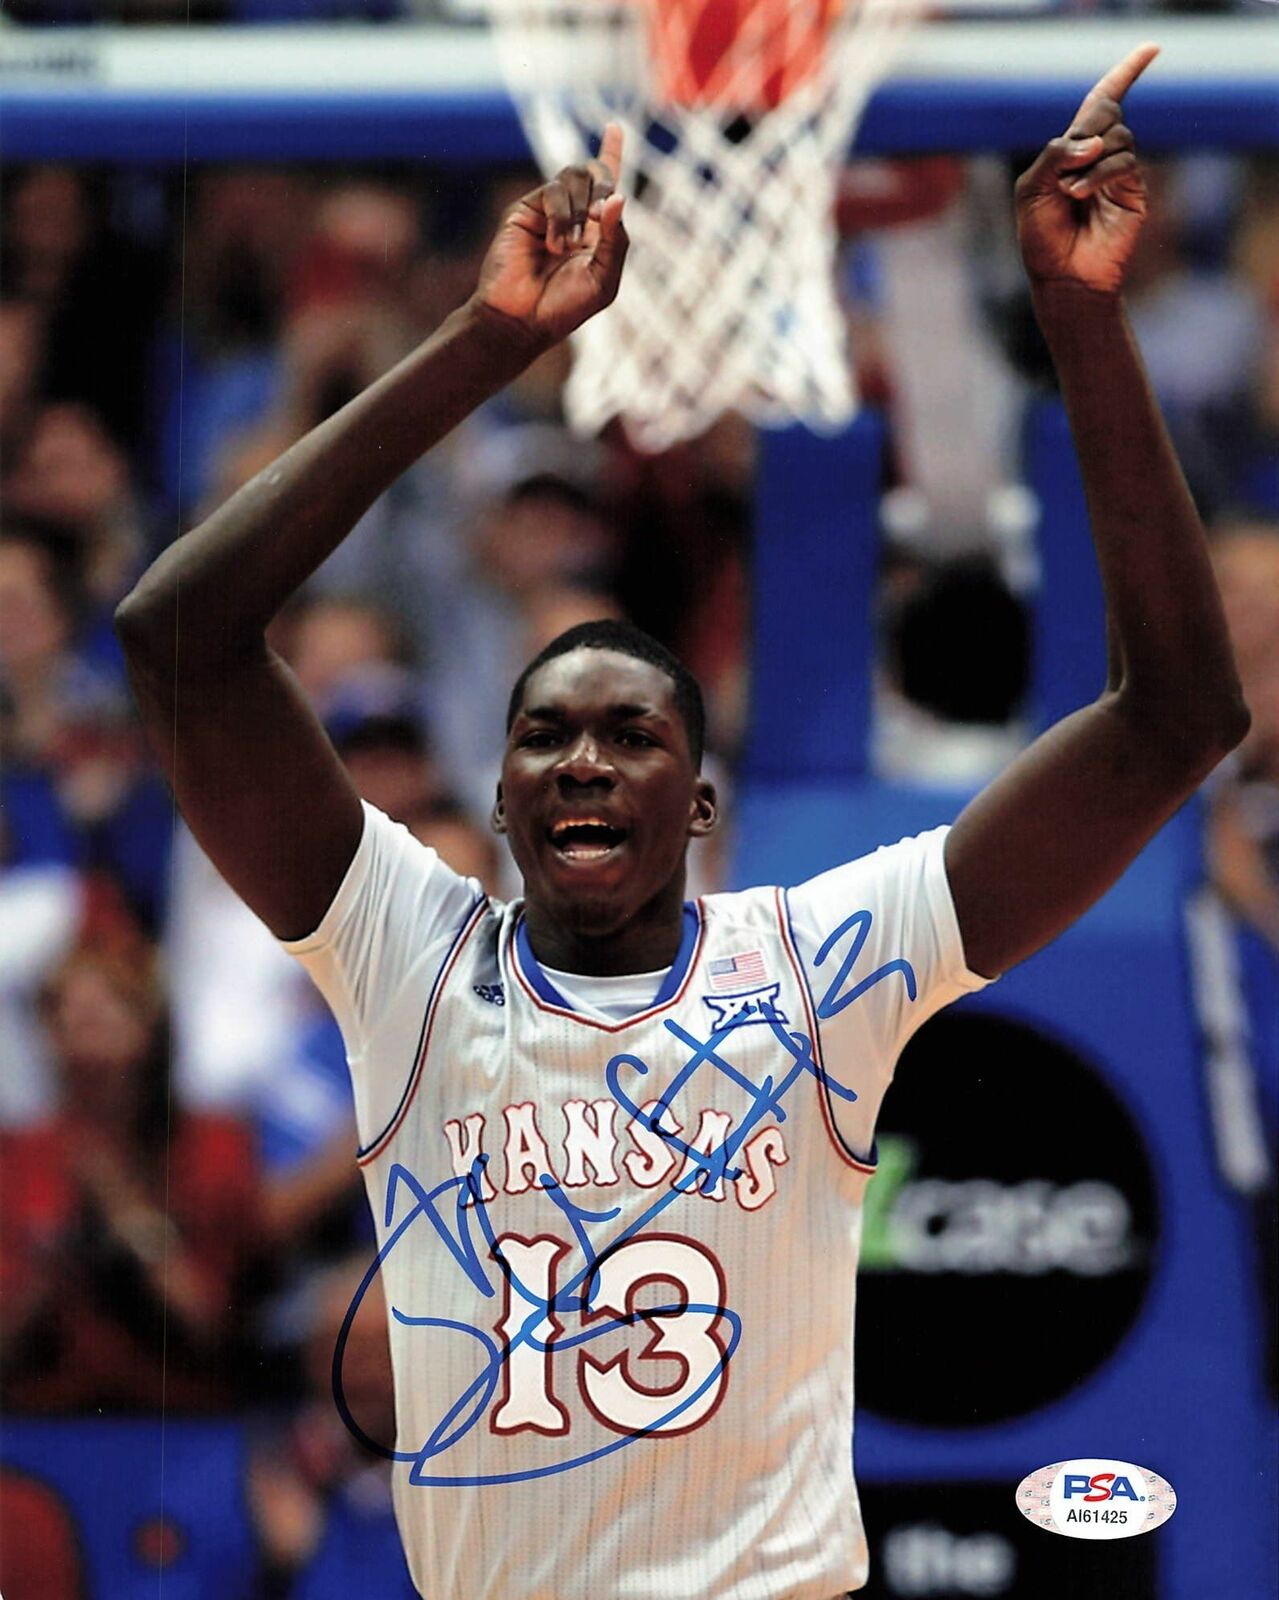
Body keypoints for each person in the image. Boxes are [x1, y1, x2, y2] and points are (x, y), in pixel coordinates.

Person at [117, 61, 1248, 1599]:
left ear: (698, 805)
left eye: (631, 733)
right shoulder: (407, 950)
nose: (583, 761)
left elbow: (1177, 721)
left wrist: (1081, 321)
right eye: (544, 737)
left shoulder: (820, 960)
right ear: (501, 795)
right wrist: (486, 345)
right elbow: (181, 638)